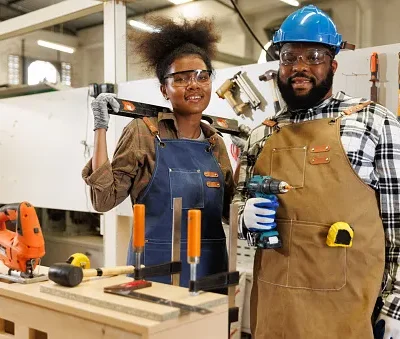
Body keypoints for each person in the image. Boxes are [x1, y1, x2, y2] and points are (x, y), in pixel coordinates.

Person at [233, 5, 400, 339]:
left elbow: (398, 226)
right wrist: (243, 219)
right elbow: (240, 210)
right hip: (274, 309)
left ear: (333, 64)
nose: (300, 67)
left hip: (349, 312)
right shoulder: (260, 134)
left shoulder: (374, 123)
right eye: (289, 57)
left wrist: (395, 306)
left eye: (313, 57)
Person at [82, 17, 234, 289]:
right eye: (181, 78)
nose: (193, 84)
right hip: (156, 272)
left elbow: (230, 212)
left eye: (202, 76)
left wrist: (249, 162)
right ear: (164, 89)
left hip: (211, 272)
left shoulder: (216, 143)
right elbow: (103, 200)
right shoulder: (144, 132)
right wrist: (101, 128)